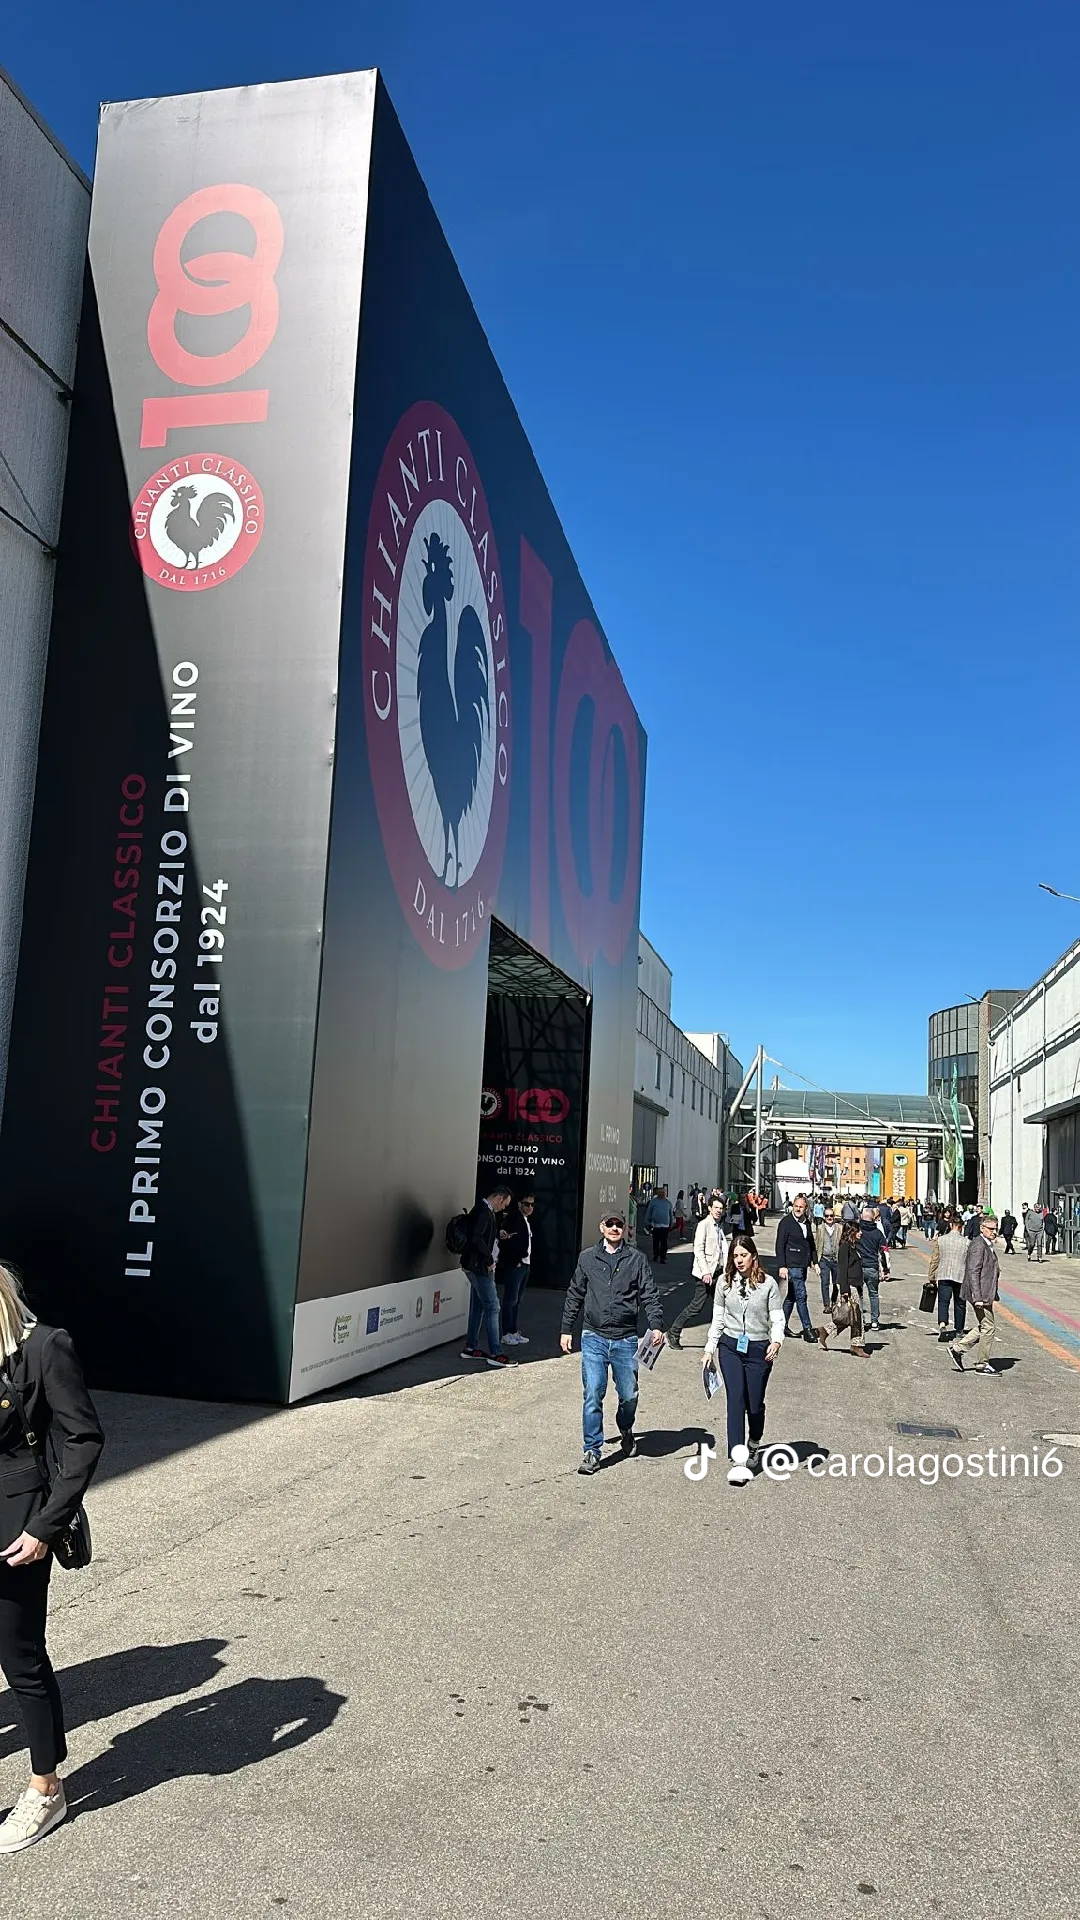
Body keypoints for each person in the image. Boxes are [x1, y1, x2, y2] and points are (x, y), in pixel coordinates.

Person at [0, 1263, 104, 1853]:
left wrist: (47, 1524)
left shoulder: (42, 1347)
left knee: (19, 1655)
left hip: (16, 1524)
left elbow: (85, 1437)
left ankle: (46, 1787)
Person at [560, 1213, 664, 1473]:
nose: (615, 1228)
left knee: (629, 1395)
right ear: (602, 1227)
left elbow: (649, 1294)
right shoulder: (587, 1258)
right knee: (593, 1393)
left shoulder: (636, 1259)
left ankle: (625, 1427)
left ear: (625, 1229)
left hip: (626, 1338)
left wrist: (656, 1324)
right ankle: (592, 1451)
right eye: (610, 1224)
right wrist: (566, 1329)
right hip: (593, 1336)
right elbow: (575, 1293)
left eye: (619, 1225)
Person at [702, 1235, 784, 1471]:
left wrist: (776, 1342)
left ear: (753, 1257)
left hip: (759, 1348)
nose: (738, 1260)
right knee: (736, 1398)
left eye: (743, 1255)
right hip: (730, 1347)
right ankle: (738, 1456)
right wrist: (709, 1349)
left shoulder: (768, 1284)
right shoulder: (724, 1283)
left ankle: (754, 1442)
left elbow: (777, 1318)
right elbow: (717, 1319)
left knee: (754, 1405)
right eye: (735, 1256)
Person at [458, 1185, 514, 1367]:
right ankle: (495, 1352)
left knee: (479, 1305)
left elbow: (480, 1235)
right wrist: (489, 1259)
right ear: (499, 1198)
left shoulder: (482, 1210)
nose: (504, 1208)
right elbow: (476, 1237)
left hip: (475, 1265)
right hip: (480, 1267)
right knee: (492, 1306)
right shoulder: (484, 1211)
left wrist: (497, 1234)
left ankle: (471, 1347)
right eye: (505, 1204)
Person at [948, 1211, 1002, 1375]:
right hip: (979, 1295)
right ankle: (981, 1364)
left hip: (986, 1293)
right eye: (991, 1228)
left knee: (985, 1326)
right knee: (989, 1327)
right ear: (982, 1228)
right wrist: (977, 1298)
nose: (994, 1232)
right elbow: (973, 1272)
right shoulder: (978, 1245)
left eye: (995, 1229)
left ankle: (958, 1349)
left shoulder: (987, 1244)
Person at [668, 1197, 726, 1349]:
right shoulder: (704, 1225)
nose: (719, 1211)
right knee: (697, 1306)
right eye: (716, 1208)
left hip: (718, 1273)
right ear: (709, 1208)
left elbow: (722, 1250)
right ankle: (674, 1331)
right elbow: (698, 1250)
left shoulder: (718, 1226)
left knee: (723, 1305)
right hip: (705, 1275)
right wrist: (706, 1272)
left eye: (721, 1208)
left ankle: (725, 1338)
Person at [817, 1222, 869, 1356]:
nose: (860, 1233)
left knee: (848, 1316)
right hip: (850, 1287)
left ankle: (825, 1330)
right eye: (858, 1231)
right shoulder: (845, 1247)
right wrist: (844, 1290)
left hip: (856, 1285)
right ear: (851, 1232)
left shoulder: (854, 1246)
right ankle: (857, 1345)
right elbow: (842, 1269)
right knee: (857, 1318)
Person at [776, 1193, 819, 1344]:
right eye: (796, 1206)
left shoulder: (806, 1222)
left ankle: (781, 1325)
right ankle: (807, 1329)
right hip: (792, 1264)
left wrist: (815, 1262)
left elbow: (811, 1243)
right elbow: (779, 1245)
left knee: (792, 1296)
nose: (798, 1209)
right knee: (801, 1295)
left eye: (801, 1207)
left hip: (803, 1264)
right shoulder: (786, 1223)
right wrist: (782, 1265)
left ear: (806, 1208)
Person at [497, 1194, 535, 1346]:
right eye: (527, 1204)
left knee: (517, 1300)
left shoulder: (525, 1220)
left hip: (525, 1264)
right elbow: (507, 1241)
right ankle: (506, 1333)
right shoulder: (513, 1218)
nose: (530, 1207)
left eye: (532, 1205)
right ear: (520, 1204)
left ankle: (513, 1331)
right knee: (510, 1300)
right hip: (516, 1264)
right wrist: (516, 1261)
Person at [928, 1213, 968, 1345]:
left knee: (943, 1302)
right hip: (960, 1275)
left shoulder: (941, 1240)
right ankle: (959, 1329)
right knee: (960, 1303)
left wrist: (932, 1276)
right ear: (961, 1227)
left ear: (951, 1225)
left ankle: (942, 1325)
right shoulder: (967, 1242)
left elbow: (935, 1259)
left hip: (944, 1274)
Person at [856, 1208, 887, 1332]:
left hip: (858, 1267)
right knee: (873, 1294)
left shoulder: (857, 1231)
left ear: (861, 1218)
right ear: (873, 1218)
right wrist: (885, 1269)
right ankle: (874, 1321)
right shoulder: (878, 1233)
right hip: (872, 1267)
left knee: (859, 1295)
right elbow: (884, 1251)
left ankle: (861, 1320)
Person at [817, 1208, 842, 1314]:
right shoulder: (820, 1228)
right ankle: (826, 1305)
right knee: (825, 1282)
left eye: (831, 1216)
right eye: (827, 1216)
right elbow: (817, 1243)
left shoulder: (839, 1228)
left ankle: (834, 1302)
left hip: (836, 1259)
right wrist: (815, 1261)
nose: (829, 1218)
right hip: (824, 1259)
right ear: (824, 1217)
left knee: (836, 1283)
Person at [644, 1186, 673, 1265]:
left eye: (664, 1192)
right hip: (655, 1225)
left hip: (665, 1226)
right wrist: (647, 1222)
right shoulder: (653, 1202)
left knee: (664, 1243)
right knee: (655, 1242)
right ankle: (656, 1255)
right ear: (658, 1193)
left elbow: (671, 1215)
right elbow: (648, 1212)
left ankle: (663, 1257)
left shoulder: (668, 1203)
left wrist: (671, 1223)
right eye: (661, 1192)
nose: (663, 1194)